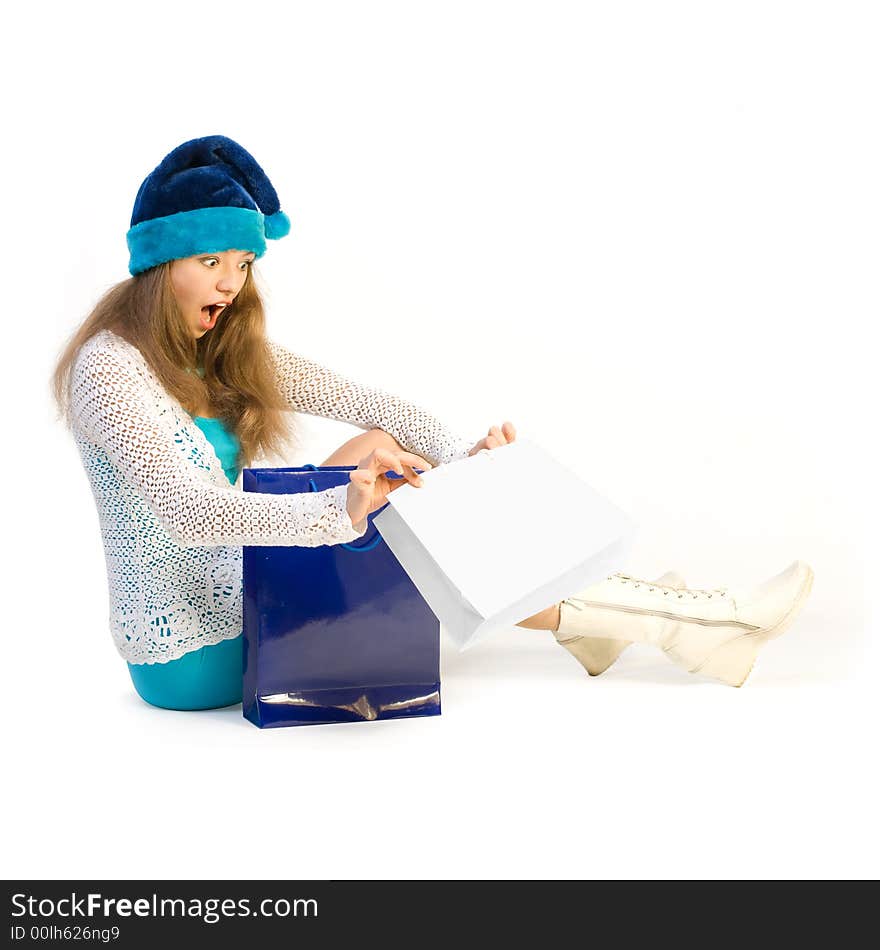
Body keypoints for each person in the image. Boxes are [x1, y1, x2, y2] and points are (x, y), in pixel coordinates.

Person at [51, 135, 813, 711]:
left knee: (387, 456)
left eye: (243, 264)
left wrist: (467, 459)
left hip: (240, 584)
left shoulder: (211, 347)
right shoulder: (109, 369)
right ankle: (687, 623)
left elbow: (368, 404)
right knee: (395, 514)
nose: (230, 281)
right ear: (160, 268)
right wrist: (340, 509)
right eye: (211, 260)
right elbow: (189, 515)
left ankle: (623, 615)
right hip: (193, 649)